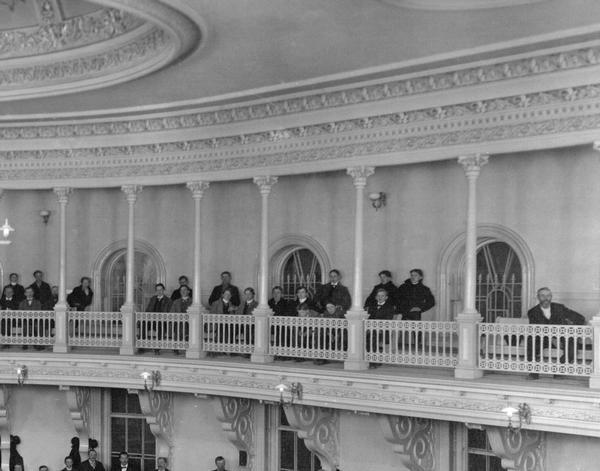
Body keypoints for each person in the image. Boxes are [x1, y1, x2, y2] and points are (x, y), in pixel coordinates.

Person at [526, 287, 585, 380]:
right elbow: (537, 330)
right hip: (543, 338)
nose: (546, 298)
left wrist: (570, 330)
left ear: (551, 297)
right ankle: (534, 372)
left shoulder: (559, 308)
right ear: (538, 297)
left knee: (572, 347)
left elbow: (580, 318)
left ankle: (558, 370)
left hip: (561, 337)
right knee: (531, 343)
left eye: (548, 295)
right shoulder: (532, 312)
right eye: (542, 295)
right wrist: (552, 339)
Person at [169, 285, 192, 355]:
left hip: (190, 322)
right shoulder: (176, 302)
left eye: (185, 290)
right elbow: (172, 312)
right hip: (178, 321)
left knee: (184, 327)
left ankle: (184, 346)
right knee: (179, 326)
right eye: (181, 290)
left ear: (188, 291)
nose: (183, 291)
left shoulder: (193, 302)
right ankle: (177, 346)